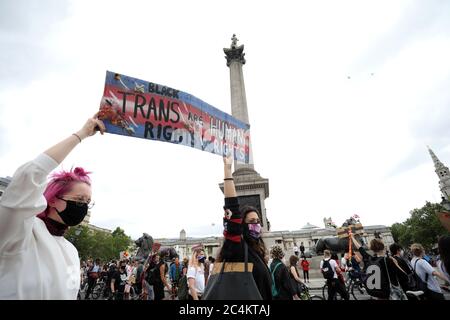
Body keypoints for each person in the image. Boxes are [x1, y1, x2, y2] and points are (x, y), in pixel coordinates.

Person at [0, 114, 105, 300]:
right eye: (80, 199)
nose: (83, 207)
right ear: (53, 199)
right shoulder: (20, 233)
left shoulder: (71, 251)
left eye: (88, 203)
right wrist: (81, 134)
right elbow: (31, 176)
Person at [215, 155, 272, 300]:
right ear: (242, 225)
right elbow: (232, 210)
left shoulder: (256, 251)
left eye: (258, 221)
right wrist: (228, 171)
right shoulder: (237, 248)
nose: (257, 225)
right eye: (252, 221)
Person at [350, 234, 400, 300]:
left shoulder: (369, 259)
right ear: (384, 247)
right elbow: (403, 276)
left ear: (372, 249)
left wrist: (352, 237)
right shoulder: (388, 260)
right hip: (388, 292)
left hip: (376, 292)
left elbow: (360, 248)